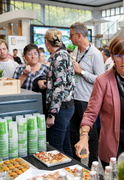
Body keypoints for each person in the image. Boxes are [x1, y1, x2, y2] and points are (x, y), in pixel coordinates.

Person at [74, 36, 124, 168]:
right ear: (112, 57)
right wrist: (83, 135)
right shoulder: (103, 81)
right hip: (114, 141)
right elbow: (90, 113)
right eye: (119, 56)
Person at [69, 22, 104, 167]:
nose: (70, 38)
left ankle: (93, 163)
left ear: (79, 35)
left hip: (86, 100)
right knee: (72, 132)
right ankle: (75, 162)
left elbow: (100, 79)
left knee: (90, 133)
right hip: (73, 98)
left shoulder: (95, 54)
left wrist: (81, 72)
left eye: (71, 35)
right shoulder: (76, 51)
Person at [44, 28, 75, 157]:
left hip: (61, 109)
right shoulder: (64, 54)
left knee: (55, 148)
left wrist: (52, 114)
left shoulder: (59, 57)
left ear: (46, 42)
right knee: (65, 145)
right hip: (66, 106)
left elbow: (59, 87)